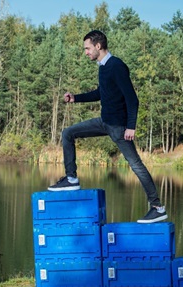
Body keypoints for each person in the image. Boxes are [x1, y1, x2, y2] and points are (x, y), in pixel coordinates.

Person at [48, 30, 167, 224]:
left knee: (136, 165)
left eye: (87, 48)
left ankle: (157, 207)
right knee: (68, 133)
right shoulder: (103, 67)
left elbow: (132, 99)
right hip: (105, 123)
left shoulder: (116, 66)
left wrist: (131, 127)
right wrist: (76, 98)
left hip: (119, 127)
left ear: (98, 46)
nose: (85, 52)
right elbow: (101, 93)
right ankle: (71, 178)